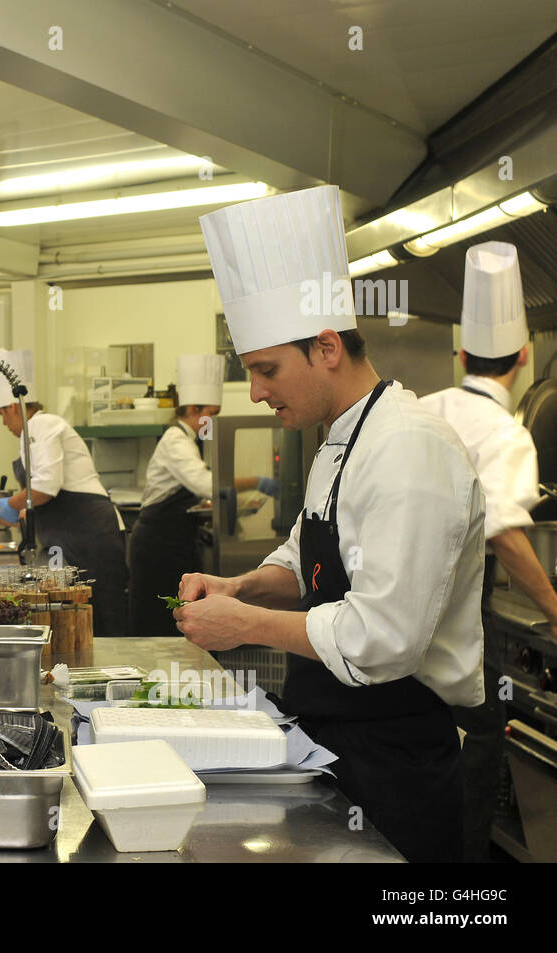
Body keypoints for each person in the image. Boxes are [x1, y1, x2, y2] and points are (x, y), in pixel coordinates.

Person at [176, 184, 484, 863]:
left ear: (325, 347)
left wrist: (245, 626)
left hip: (395, 764)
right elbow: (303, 562)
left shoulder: (409, 447)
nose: (255, 391)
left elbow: (384, 636)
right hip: (333, 746)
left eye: (266, 369)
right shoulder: (340, 438)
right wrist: (239, 588)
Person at [419, 241, 553, 862]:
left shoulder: (426, 408)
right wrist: (555, 605)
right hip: (467, 631)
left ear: (461, 353)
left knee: (429, 768)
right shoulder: (505, 433)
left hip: (406, 625)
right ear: (524, 357)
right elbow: (503, 529)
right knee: (473, 770)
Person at [0, 348, 129, 636]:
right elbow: (41, 491)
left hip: (89, 536)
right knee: (84, 616)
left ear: (13, 407)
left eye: (2, 414)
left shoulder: (41, 423)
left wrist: (10, 503)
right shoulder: (34, 430)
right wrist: (19, 511)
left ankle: (116, 677)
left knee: (101, 616)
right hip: (74, 535)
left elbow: (45, 486)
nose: (3, 423)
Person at [129, 354, 276, 636]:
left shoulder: (188, 441)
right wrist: (256, 482)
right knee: (158, 621)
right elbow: (206, 483)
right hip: (159, 545)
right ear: (195, 410)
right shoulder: (175, 440)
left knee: (178, 617)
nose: (216, 421)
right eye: (214, 413)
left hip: (175, 541)